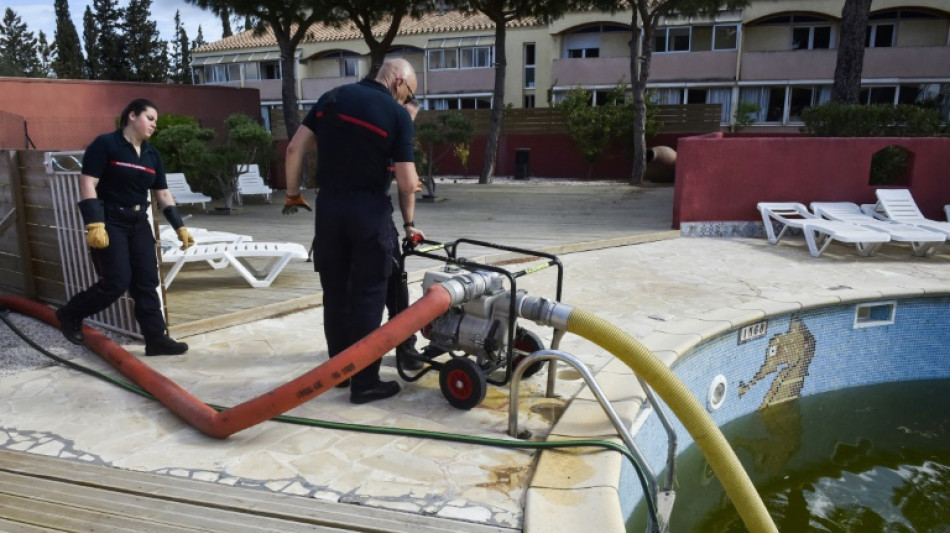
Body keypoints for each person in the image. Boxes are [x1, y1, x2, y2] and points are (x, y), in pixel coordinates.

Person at [283, 58, 424, 404]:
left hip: (329, 210)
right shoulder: (395, 115)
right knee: (368, 297)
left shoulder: (332, 97)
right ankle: (365, 382)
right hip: (368, 212)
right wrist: (414, 188)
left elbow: (294, 148)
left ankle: (338, 374)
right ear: (399, 82)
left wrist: (292, 193)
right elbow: (406, 182)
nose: (406, 101)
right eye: (409, 94)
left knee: (335, 293)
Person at [55, 99, 195, 356]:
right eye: (150, 118)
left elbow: (162, 193)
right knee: (116, 281)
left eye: (156, 120)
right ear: (132, 115)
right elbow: (88, 183)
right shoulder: (106, 144)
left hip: (139, 222)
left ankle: (155, 339)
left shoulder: (152, 154)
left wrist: (179, 227)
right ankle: (70, 313)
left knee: (147, 281)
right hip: (111, 221)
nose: (155, 124)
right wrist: (94, 223)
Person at [386, 99, 424, 371]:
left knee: (396, 283)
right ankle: (351, 356)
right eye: (405, 117)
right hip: (354, 216)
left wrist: (409, 224)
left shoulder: (399, 138)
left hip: (376, 218)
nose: (407, 124)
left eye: (412, 119)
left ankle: (405, 346)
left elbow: (406, 185)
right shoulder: (379, 134)